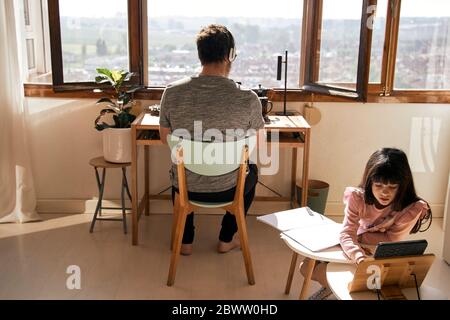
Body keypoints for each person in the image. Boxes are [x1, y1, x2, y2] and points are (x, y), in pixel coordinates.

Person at [159, 24, 265, 256]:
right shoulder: (248, 99)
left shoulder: (172, 93)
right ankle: (226, 239)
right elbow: (256, 142)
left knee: (180, 168)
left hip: (187, 189)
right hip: (228, 190)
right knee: (252, 170)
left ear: (200, 55)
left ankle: (185, 242)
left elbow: (165, 139)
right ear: (230, 55)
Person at [302, 148, 432, 300]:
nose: (385, 193)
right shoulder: (357, 197)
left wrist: (359, 238)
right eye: (378, 185)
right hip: (356, 248)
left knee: (362, 282)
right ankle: (333, 287)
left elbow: (391, 240)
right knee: (305, 267)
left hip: (380, 253)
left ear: (403, 186)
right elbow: (347, 233)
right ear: (370, 182)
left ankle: (341, 289)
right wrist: (358, 254)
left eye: (392, 187)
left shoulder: (412, 208)